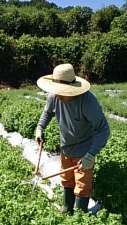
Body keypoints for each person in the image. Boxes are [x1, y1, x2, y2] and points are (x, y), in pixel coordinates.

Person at [35, 63, 110, 214]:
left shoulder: (87, 101)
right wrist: (40, 127)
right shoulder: (54, 96)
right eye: (57, 92)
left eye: (62, 92)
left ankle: (80, 217)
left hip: (84, 151)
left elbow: (104, 129)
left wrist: (91, 154)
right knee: (66, 178)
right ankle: (67, 208)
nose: (58, 95)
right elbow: (47, 112)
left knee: (82, 185)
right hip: (66, 148)